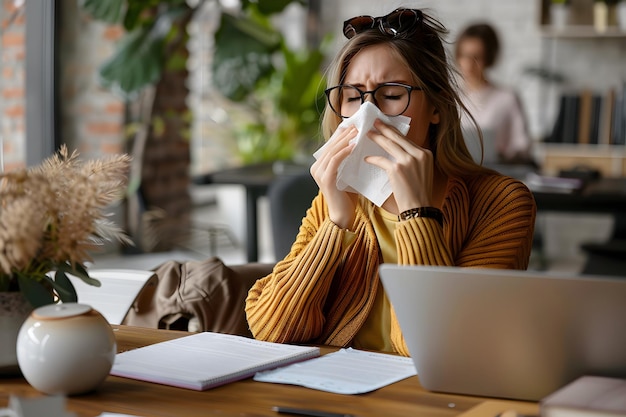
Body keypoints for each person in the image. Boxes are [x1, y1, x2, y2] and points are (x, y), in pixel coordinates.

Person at [245, 8, 537, 356]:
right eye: (353, 97)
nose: (368, 116)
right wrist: (337, 223)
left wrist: (415, 213)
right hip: (335, 394)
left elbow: (444, 349)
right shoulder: (335, 201)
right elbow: (271, 329)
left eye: (393, 95)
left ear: (437, 107)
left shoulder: (502, 203)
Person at [455, 22, 533, 164]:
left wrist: (502, 156)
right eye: (464, 56)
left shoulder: (507, 98)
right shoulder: (450, 98)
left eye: (476, 57)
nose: (468, 65)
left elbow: (522, 146)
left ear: (489, 59)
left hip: (496, 175)